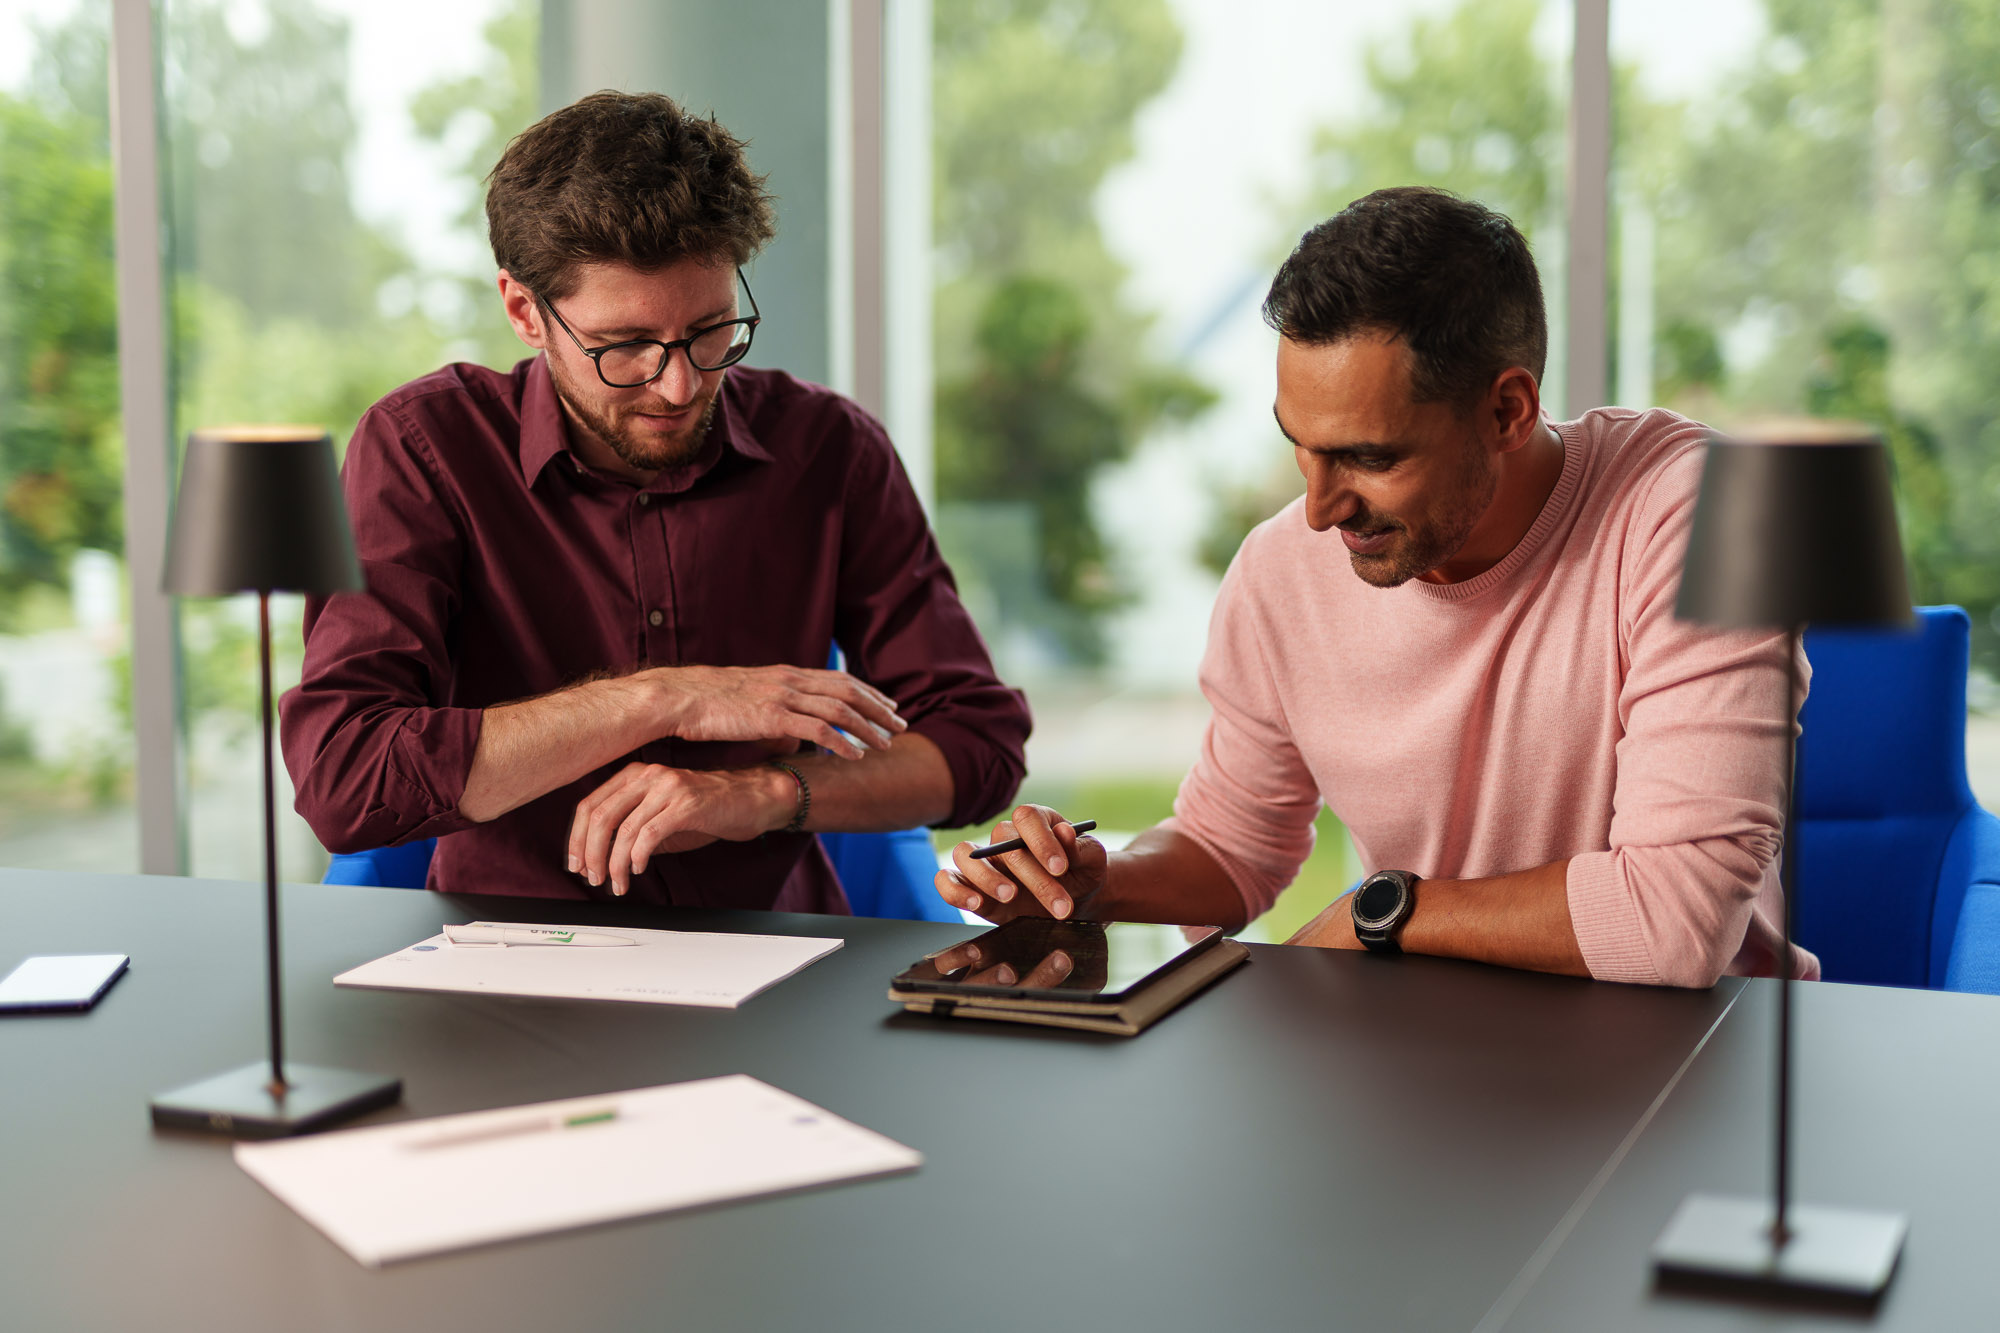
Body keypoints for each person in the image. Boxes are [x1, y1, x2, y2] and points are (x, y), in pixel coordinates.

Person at [935, 186, 1815, 989]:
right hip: (1418, 1052)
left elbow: (1675, 922)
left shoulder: (1703, 514)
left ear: (1508, 410)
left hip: (1686, 1058)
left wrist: (1379, 915)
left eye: (1368, 457)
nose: (1320, 510)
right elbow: (1231, 846)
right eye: (1300, 445)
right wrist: (1098, 881)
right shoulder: (1280, 571)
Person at [281, 91, 1030, 909]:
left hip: (784, 952)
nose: (679, 385)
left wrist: (767, 792)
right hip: (513, 950)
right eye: (626, 345)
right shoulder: (424, 450)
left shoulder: (829, 449)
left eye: (710, 330)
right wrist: (665, 698)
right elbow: (346, 776)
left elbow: (978, 743)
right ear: (525, 310)